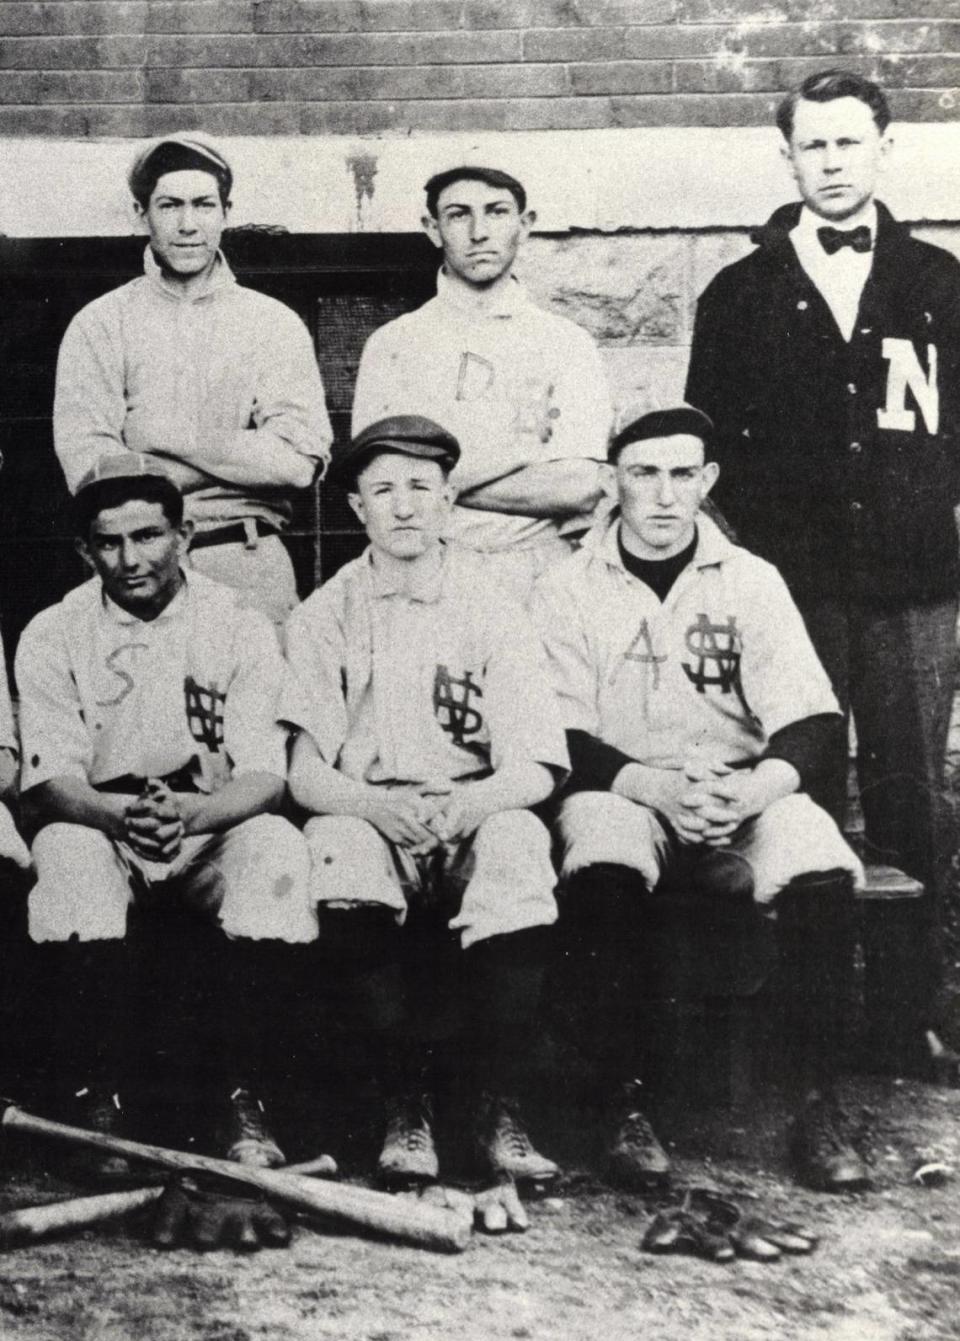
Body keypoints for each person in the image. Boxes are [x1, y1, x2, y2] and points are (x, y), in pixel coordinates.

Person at [685, 70, 960, 1044]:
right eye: (815, 145)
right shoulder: (740, 295)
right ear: (788, 156)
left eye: (851, 143)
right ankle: (800, 1021)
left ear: (885, 148)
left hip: (917, 590)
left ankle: (905, 1012)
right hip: (791, 596)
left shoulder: (939, 285)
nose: (833, 163)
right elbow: (704, 454)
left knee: (913, 795)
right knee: (790, 787)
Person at [531, 407, 867, 1193]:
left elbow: (814, 720)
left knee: (819, 862)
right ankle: (624, 1101)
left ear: (708, 480)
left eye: (683, 474)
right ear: (613, 481)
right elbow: (560, 736)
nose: (663, 494)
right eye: (643, 473)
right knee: (603, 861)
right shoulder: (565, 584)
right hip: (625, 784)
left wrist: (754, 787)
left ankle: (820, 1104)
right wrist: (657, 788)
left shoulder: (751, 578)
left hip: (735, 786)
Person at [284, 415, 567, 1198]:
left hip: (470, 807)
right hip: (373, 811)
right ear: (356, 508)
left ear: (448, 499)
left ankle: (497, 1104)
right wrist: (373, 807)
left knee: (517, 842)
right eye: (383, 490)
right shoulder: (326, 611)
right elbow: (304, 772)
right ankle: (402, 1103)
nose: (403, 506)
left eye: (419, 487)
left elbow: (538, 763)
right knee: (336, 843)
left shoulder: (495, 604)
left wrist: (476, 801)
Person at [15, 455, 316, 1193]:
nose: (131, 557)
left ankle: (247, 1102)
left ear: (183, 535)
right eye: (109, 542)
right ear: (85, 551)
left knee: (276, 850)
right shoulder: (55, 630)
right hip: (106, 816)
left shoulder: (238, 620)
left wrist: (194, 814)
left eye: (148, 536)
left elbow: (266, 774)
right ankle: (101, 1100)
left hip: (208, 815)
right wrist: (122, 817)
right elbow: (52, 779)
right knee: (67, 854)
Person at [53, 134, 332, 631]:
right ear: (142, 214)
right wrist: (237, 461)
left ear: (226, 211)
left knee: (259, 708)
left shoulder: (272, 323)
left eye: (204, 205)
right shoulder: (100, 324)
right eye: (170, 205)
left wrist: (154, 437)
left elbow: (295, 465)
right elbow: (92, 474)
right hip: (135, 569)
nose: (188, 224)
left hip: (245, 559)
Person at [352, 166, 611, 604]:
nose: (478, 232)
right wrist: (523, 457)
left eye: (496, 212)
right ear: (433, 229)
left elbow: (579, 485)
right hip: (427, 569)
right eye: (458, 215)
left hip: (542, 571)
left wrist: (438, 483)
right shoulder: (394, 344)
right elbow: (381, 484)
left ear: (524, 224)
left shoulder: (566, 342)